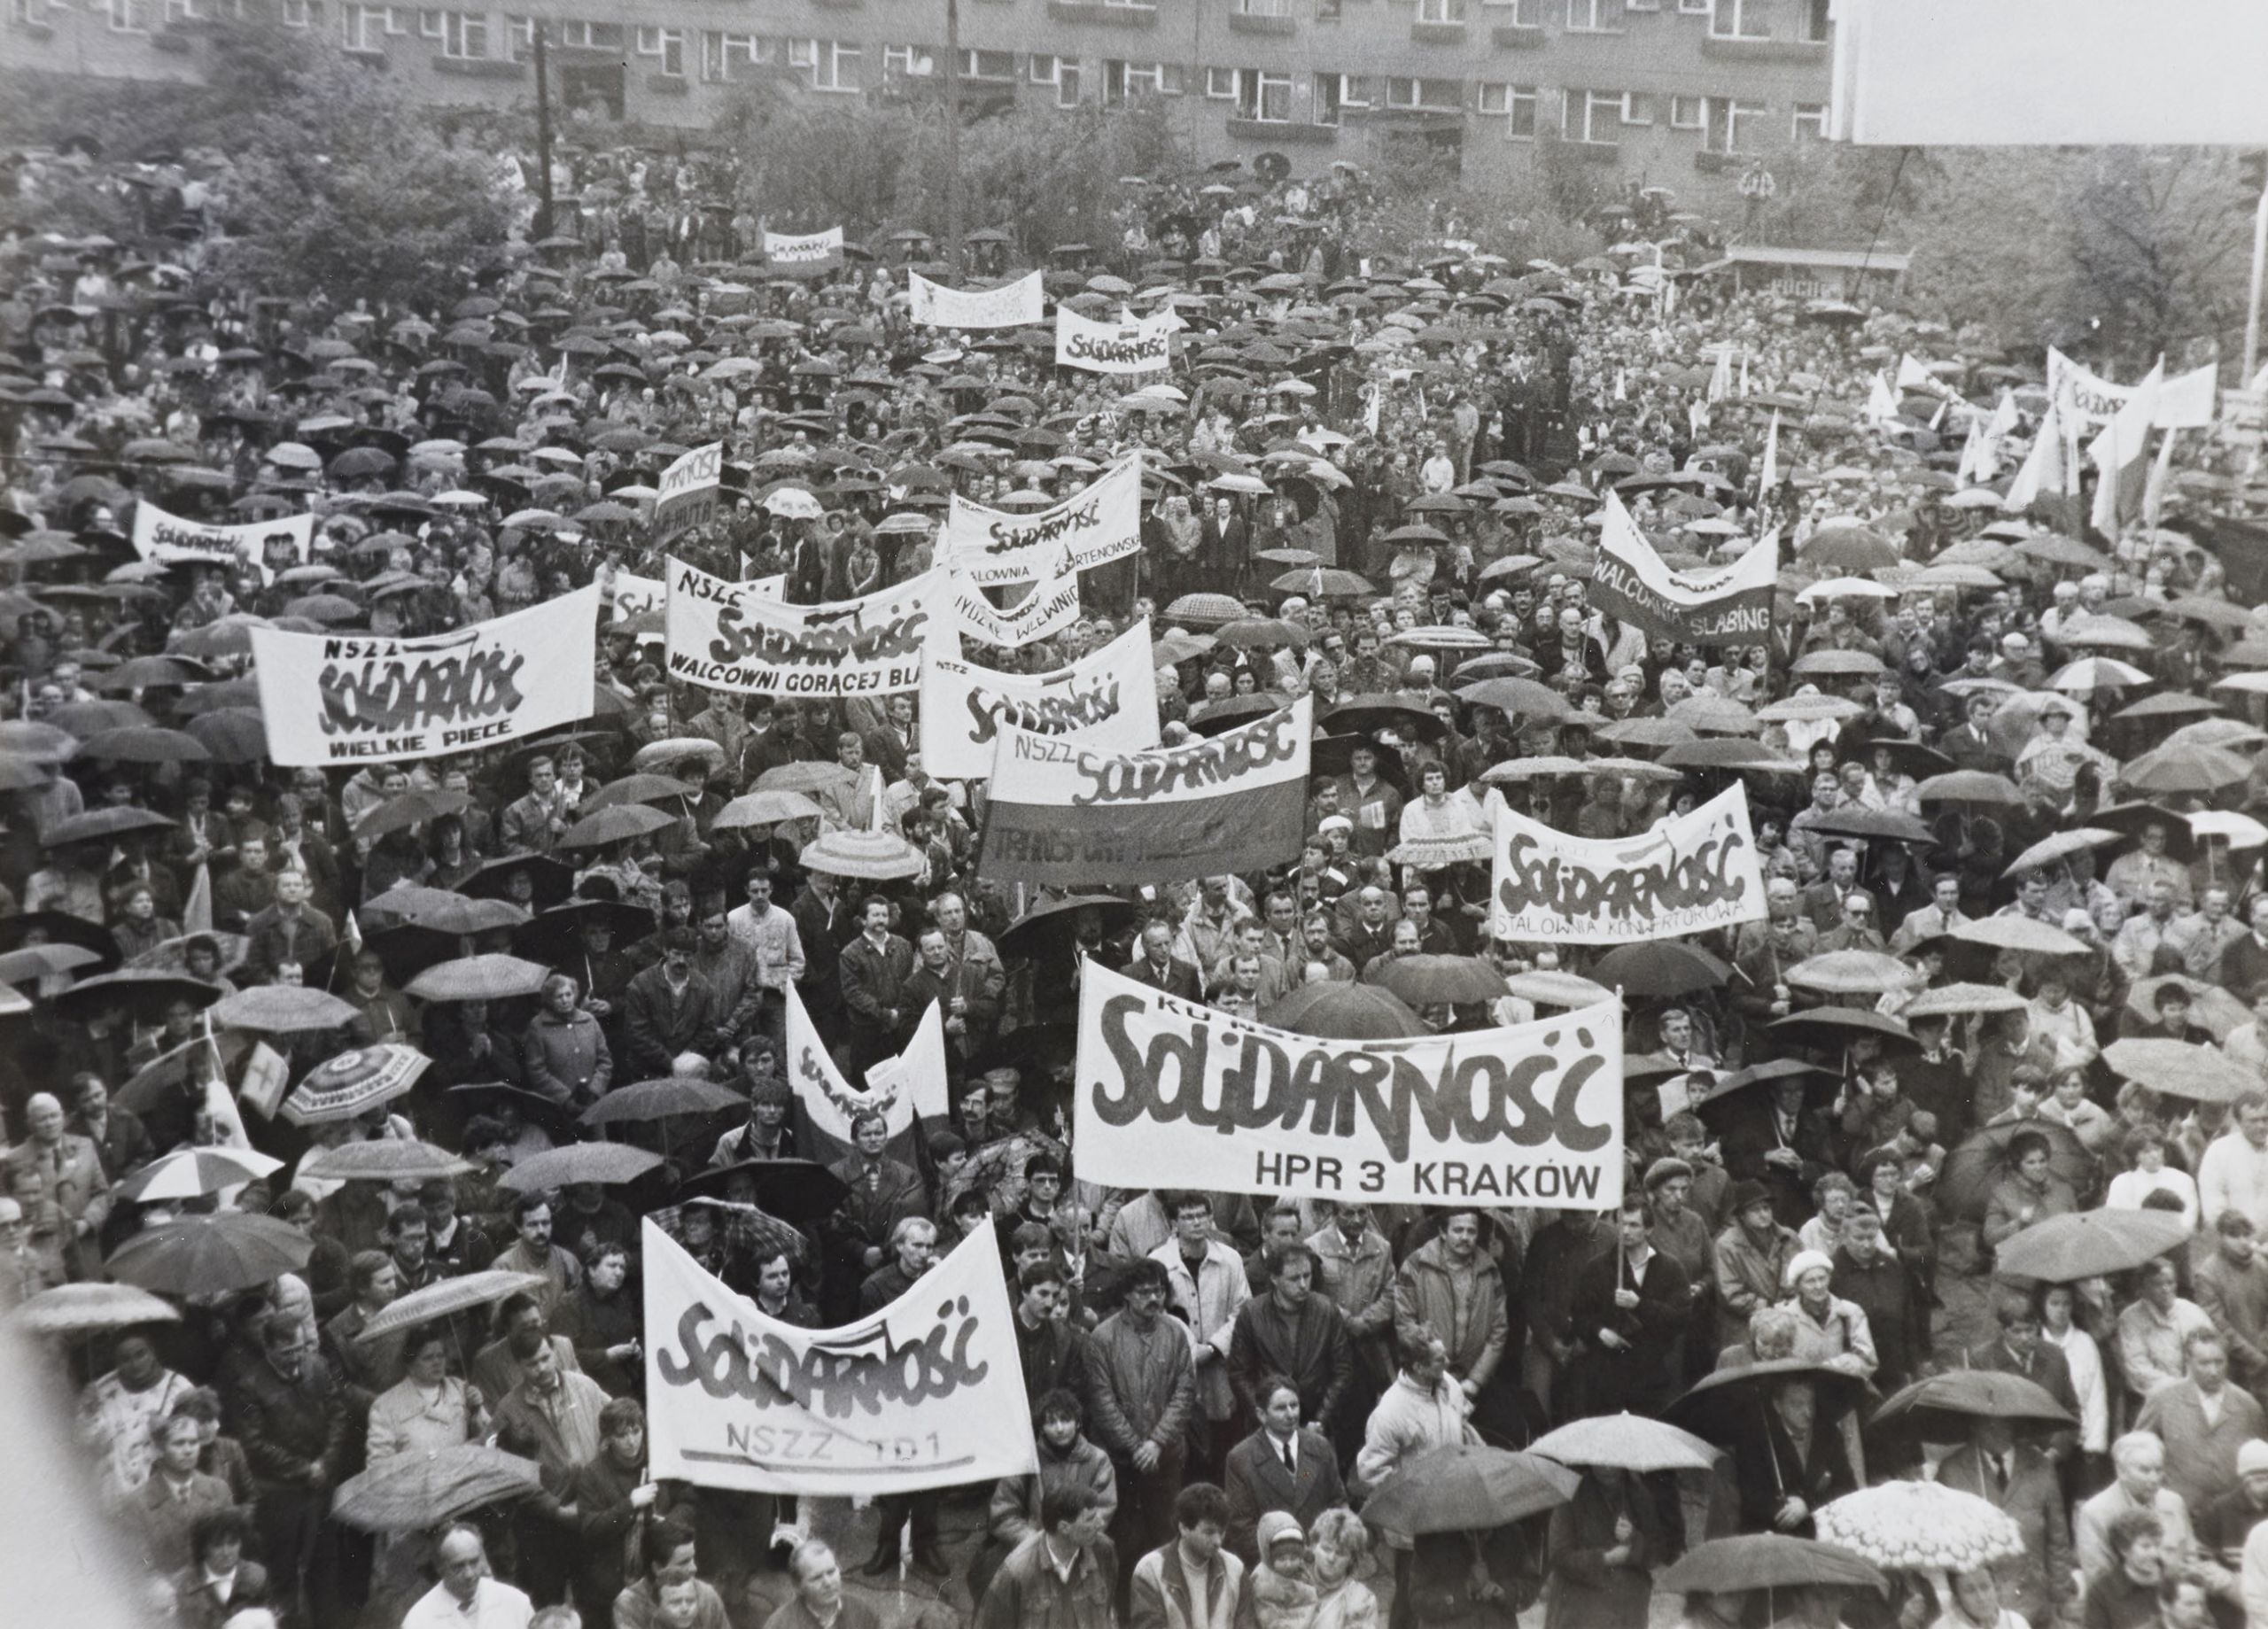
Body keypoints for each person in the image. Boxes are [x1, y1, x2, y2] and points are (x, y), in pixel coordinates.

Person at [1222, 1373, 1347, 1563]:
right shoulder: (1240, 1459)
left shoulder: (1320, 1448)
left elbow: (1337, 1502)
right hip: (1273, 1567)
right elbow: (1242, 1527)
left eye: (1294, 1405)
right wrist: (1284, 1561)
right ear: (1262, 1415)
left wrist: (1331, 1551)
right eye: (1281, 1408)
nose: (1291, 1414)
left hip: (1323, 1561)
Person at [972, 1482, 1117, 1629]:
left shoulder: (1104, 1551)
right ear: (1064, 1527)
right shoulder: (1016, 1571)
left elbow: (1108, 1613)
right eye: (1090, 1519)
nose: (1100, 1523)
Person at [1130, 1481, 1246, 1629]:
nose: (1218, 1541)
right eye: (1209, 1532)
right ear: (1184, 1528)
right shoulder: (1150, 1570)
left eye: (1221, 1532)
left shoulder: (1235, 1569)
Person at [401, 1525, 533, 1629]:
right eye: (458, 1566)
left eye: (474, 1562)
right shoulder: (418, 1620)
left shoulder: (515, 1602)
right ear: (440, 1568)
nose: (469, 1574)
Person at [763, 1540, 880, 1629]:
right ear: (798, 1586)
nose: (828, 1583)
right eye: (816, 1578)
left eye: (831, 1572)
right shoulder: (780, 1625)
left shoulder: (861, 1611)